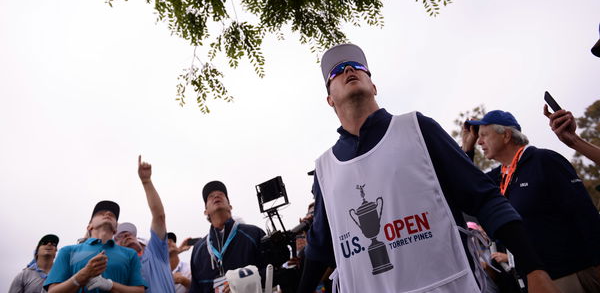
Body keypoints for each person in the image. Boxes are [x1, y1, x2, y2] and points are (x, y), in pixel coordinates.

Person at [298, 43, 559, 293]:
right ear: (330, 99)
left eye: (357, 66)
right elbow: (320, 248)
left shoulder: (417, 129)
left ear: (374, 86)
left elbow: (484, 198)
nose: (348, 70)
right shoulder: (325, 170)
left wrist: (534, 269)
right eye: (337, 71)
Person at [464, 110, 600, 292]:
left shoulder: (543, 160)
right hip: (535, 280)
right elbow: (468, 184)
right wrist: (467, 149)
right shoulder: (500, 176)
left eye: (483, 135)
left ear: (506, 135)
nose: (479, 141)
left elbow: (585, 214)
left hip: (571, 274)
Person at [44, 200, 146, 292]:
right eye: (100, 213)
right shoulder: (67, 251)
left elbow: (139, 291)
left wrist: (110, 285)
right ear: (89, 226)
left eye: (113, 215)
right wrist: (80, 277)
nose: (108, 213)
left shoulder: (130, 254)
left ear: (115, 229)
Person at [189, 181, 266, 293]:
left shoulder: (254, 233)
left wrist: (242, 283)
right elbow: (196, 289)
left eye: (221, 194)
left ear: (230, 206)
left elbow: (273, 270)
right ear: (205, 211)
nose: (216, 196)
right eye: (210, 196)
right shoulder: (198, 249)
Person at [114, 156, 176, 293]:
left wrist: (146, 182)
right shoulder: (116, 270)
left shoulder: (155, 253)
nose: (126, 235)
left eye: (129, 233)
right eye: (119, 236)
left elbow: (159, 217)